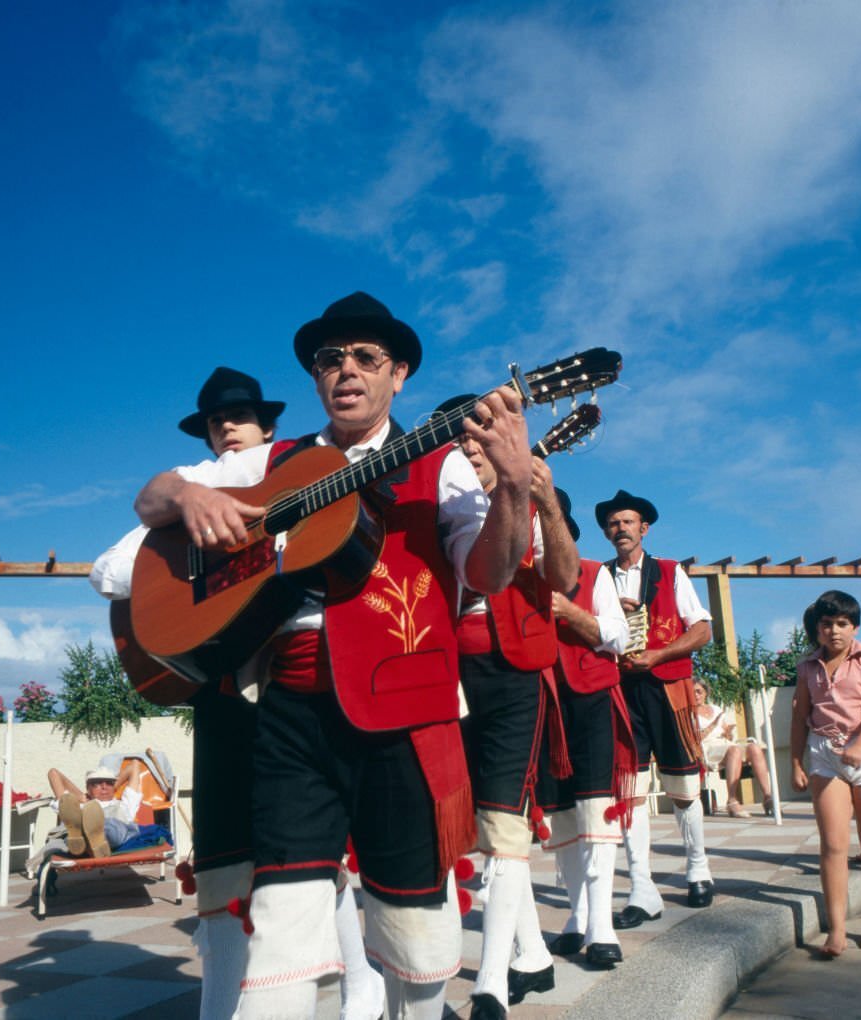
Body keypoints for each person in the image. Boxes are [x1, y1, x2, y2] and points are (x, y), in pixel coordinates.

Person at [133, 292, 534, 1020]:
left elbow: (490, 573)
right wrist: (188, 495)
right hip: (289, 709)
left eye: (364, 358)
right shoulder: (271, 459)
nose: (345, 370)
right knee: (281, 920)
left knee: (411, 926)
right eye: (330, 359)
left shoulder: (439, 466)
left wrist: (512, 484)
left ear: (399, 374)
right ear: (316, 377)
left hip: (403, 710)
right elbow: (150, 497)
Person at [91, 367, 346, 1020]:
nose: (226, 427)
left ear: (268, 425)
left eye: (239, 415)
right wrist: (191, 516)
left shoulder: (305, 465)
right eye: (214, 420)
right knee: (227, 862)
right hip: (225, 686)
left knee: (321, 857)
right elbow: (112, 571)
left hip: (305, 674)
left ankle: (359, 1000)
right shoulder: (197, 479)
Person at [438, 395, 577, 1020]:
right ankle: (529, 957)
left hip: (515, 671)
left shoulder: (527, 499)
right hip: (442, 672)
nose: (471, 446)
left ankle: (491, 981)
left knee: (503, 825)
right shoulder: (438, 504)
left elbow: (566, 580)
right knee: (447, 828)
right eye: (461, 439)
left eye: (481, 436)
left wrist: (543, 498)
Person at [595, 489, 714, 926]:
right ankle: (642, 887)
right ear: (606, 533)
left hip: (668, 687)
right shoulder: (599, 578)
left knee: (683, 786)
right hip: (621, 690)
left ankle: (698, 868)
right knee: (630, 791)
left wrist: (659, 655)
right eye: (613, 523)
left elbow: (702, 630)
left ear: (643, 528)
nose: (620, 528)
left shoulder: (670, 572)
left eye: (627, 522)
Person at [537, 491, 635, 975]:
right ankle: (577, 913)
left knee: (596, 811)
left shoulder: (594, 574)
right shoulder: (508, 574)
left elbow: (619, 636)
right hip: (539, 705)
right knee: (559, 816)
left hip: (590, 699)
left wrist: (569, 612)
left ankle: (603, 927)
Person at [789, 591, 861, 956]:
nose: (834, 631)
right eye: (827, 624)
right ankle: (836, 928)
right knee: (832, 845)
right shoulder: (807, 667)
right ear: (818, 628)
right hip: (824, 755)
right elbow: (800, 716)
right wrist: (797, 763)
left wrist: (860, 746)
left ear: (855, 627)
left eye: (842, 624)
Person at [693, 678, 774, 818]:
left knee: (754, 748)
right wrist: (713, 724)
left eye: (699, 691)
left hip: (725, 744)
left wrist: (728, 732)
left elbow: (726, 733)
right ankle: (732, 800)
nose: (696, 695)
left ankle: (767, 797)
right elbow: (694, 739)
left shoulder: (716, 709)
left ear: (706, 692)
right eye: (692, 692)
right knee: (734, 750)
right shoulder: (689, 713)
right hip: (707, 748)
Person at [47, 761, 142, 857]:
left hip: (111, 830)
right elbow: (53, 773)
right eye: (97, 784)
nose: (104, 787)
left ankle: (90, 840)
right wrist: (81, 796)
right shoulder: (77, 806)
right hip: (82, 827)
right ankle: (87, 840)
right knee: (73, 821)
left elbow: (134, 765)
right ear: (88, 788)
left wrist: (113, 787)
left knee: (112, 826)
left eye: (109, 783)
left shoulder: (124, 804)